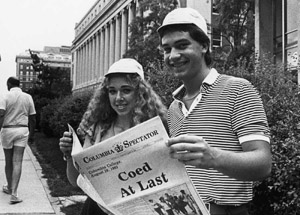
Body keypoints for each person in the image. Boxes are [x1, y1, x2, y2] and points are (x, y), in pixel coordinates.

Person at [157, 7, 272, 215]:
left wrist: (213, 157)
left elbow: (263, 164)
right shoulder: (174, 108)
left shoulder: (238, 89)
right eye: (167, 49)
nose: (173, 56)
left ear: (204, 46)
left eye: (182, 45)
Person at [59, 58, 167, 214]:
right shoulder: (97, 129)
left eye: (126, 90)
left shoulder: (154, 129)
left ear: (140, 92)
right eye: (112, 91)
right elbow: (75, 182)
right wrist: (69, 156)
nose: (118, 98)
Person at [0, 77, 36, 204]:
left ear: (9, 84)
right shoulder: (27, 97)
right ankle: (14, 194)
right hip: (22, 130)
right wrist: (31, 134)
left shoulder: (5, 96)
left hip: (7, 130)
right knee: (18, 161)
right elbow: (32, 118)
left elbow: (1, 114)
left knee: (8, 161)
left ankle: (9, 187)